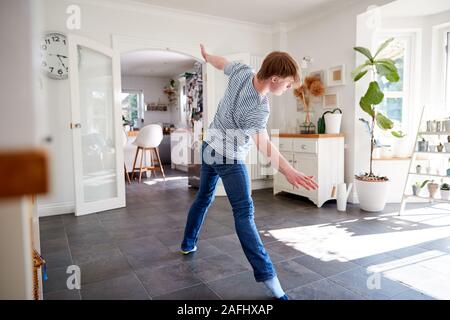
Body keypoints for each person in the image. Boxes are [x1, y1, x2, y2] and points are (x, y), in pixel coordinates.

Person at [180, 44, 319, 300]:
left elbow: (222, 63)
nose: (288, 89)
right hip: (229, 157)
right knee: (244, 214)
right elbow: (264, 144)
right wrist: (288, 171)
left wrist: (208, 56)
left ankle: (188, 243)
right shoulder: (259, 108)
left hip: (209, 146)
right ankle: (270, 280)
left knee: (203, 197)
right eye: (287, 85)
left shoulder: (244, 71)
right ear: (275, 79)